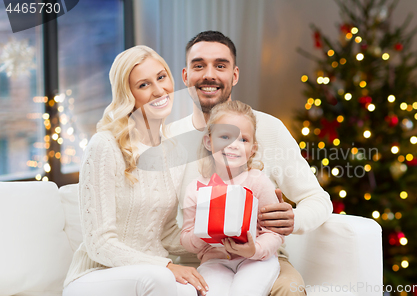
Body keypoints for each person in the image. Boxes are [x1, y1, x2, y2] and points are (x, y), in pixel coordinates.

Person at [167, 31, 333, 295]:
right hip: (193, 261)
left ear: (234, 75)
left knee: (289, 290)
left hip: (261, 256)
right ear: (186, 76)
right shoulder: (168, 139)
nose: (209, 74)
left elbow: (319, 200)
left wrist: (293, 219)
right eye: (199, 65)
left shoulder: (269, 129)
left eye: (220, 65)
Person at [62, 45, 208, 296]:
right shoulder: (105, 145)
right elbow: (99, 244)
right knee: (160, 278)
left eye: (161, 78)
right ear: (127, 94)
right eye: (144, 85)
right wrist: (166, 266)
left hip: (150, 273)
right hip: (95, 275)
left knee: (194, 289)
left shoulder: (175, 152)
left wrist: (215, 240)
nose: (159, 90)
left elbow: (167, 233)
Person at [181, 100, 284, 296]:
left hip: (255, 259)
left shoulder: (258, 182)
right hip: (214, 261)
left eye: (243, 140)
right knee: (211, 292)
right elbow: (185, 237)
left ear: (252, 149)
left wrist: (255, 250)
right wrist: (203, 229)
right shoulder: (196, 189)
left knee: (245, 291)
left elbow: (275, 233)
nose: (234, 145)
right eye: (225, 136)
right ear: (209, 142)